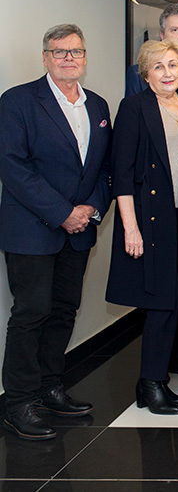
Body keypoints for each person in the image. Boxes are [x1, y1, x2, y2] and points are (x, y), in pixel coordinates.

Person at [0, 24, 112, 440]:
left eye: (75, 51)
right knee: (31, 313)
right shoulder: (18, 101)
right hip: (32, 229)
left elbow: (105, 168)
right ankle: (19, 402)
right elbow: (13, 167)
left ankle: (49, 388)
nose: (68, 58)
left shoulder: (96, 105)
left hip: (79, 229)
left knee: (64, 309)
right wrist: (63, 212)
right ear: (45, 57)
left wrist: (91, 209)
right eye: (59, 51)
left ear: (85, 57)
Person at [106, 39, 178, 414]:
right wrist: (130, 229)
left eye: (173, 65)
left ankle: (158, 379)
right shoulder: (134, 107)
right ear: (145, 74)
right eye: (159, 67)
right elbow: (122, 173)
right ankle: (149, 382)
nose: (167, 73)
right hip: (151, 220)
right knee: (160, 304)